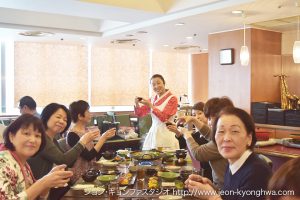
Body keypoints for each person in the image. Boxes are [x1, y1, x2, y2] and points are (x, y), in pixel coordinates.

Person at [185, 107, 272, 200]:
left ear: (249, 138)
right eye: (221, 132)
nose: (226, 138)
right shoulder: (233, 163)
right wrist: (212, 189)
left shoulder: (257, 172)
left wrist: (211, 196)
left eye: (234, 131)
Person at [0, 114, 73, 200]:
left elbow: (37, 196)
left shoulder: (24, 164)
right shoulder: (2, 162)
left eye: (37, 136)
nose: (33, 140)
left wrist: (48, 182)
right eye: (26, 133)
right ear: (11, 136)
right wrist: (43, 182)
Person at [168, 97, 232, 189]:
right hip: (218, 185)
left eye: (210, 118)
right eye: (208, 118)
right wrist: (193, 120)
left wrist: (186, 134)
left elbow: (197, 154)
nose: (209, 122)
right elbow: (208, 133)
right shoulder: (220, 134)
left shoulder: (223, 140)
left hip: (225, 190)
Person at [67, 100, 116, 183]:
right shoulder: (72, 135)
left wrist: (105, 136)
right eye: (88, 111)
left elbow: (95, 151)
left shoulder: (86, 130)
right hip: (80, 178)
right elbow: (89, 156)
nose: (91, 113)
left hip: (91, 173)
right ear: (80, 116)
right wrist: (103, 138)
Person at [134, 74, 179, 150]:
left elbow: (164, 118)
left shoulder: (172, 99)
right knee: (151, 158)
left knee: (166, 159)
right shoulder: (153, 99)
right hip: (153, 133)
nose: (156, 86)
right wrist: (137, 103)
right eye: (153, 85)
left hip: (166, 132)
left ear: (164, 83)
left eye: (158, 83)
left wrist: (151, 106)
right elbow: (140, 113)